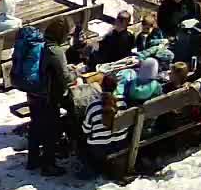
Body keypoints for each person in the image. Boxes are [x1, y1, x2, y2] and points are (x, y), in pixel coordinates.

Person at [26, 18, 73, 177]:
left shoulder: (39, 44)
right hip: (47, 96)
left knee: (36, 125)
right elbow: (65, 77)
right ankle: (49, 164)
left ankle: (32, 160)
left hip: (32, 91)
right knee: (51, 129)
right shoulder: (56, 51)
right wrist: (76, 73)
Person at [74, 74, 133, 171]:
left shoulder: (93, 106)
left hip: (99, 149)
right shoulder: (122, 103)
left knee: (80, 139)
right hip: (119, 144)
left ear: (101, 86)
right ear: (116, 87)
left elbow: (86, 130)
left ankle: (90, 166)